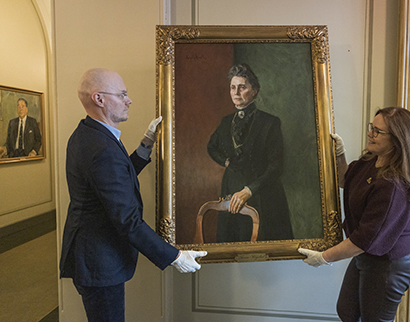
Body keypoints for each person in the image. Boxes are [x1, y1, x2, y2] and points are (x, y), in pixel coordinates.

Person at [60, 68, 207, 322]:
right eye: (122, 94)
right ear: (99, 99)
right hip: (99, 263)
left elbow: (113, 183)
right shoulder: (101, 147)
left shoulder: (88, 133)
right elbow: (127, 220)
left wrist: (146, 143)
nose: (129, 100)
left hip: (92, 256)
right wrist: (174, 256)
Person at [299, 107, 410, 322]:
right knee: (348, 312)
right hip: (368, 256)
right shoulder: (371, 162)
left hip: (388, 265)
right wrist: (339, 154)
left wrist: (323, 257)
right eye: (372, 128)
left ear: (398, 139)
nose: (371, 134)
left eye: (378, 131)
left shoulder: (393, 186)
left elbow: (364, 239)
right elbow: (346, 180)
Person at [207, 63, 294, 242]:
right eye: (232, 87)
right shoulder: (225, 122)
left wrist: (249, 190)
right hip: (231, 192)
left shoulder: (270, 123)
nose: (236, 92)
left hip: (263, 195)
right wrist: (226, 162)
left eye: (242, 87)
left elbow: (276, 166)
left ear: (254, 91)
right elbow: (211, 147)